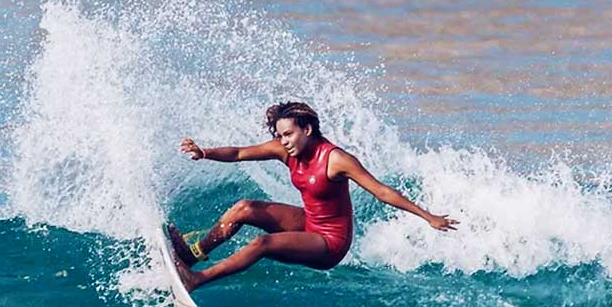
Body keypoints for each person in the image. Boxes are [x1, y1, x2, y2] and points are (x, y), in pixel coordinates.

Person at [169, 101, 458, 292]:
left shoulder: (336, 160)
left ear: (307, 129)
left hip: (330, 244)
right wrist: (205, 152)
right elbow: (240, 153)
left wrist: (428, 217)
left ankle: (197, 280)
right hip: (309, 223)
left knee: (263, 244)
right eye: (280, 135)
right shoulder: (286, 150)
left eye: (288, 134)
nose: (283, 141)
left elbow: (381, 191)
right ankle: (192, 254)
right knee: (245, 208)